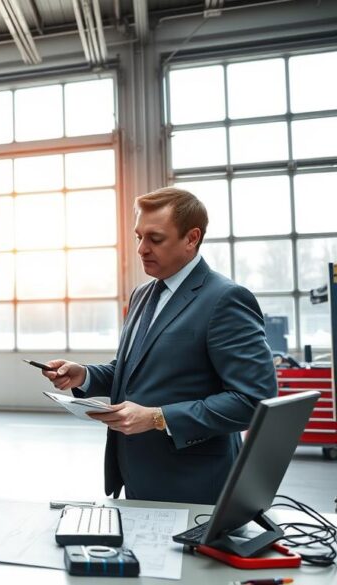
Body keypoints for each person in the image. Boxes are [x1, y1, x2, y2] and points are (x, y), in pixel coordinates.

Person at [43, 187, 276, 505]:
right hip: (136, 479)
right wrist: (83, 375)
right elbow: (133, 371)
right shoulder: (142, 295)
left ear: (191, 238)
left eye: (155, 239)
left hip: (193, 486)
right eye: (138, 236)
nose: (141, 249)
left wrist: (158, 417)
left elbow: (253, 400)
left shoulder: (225, 299)